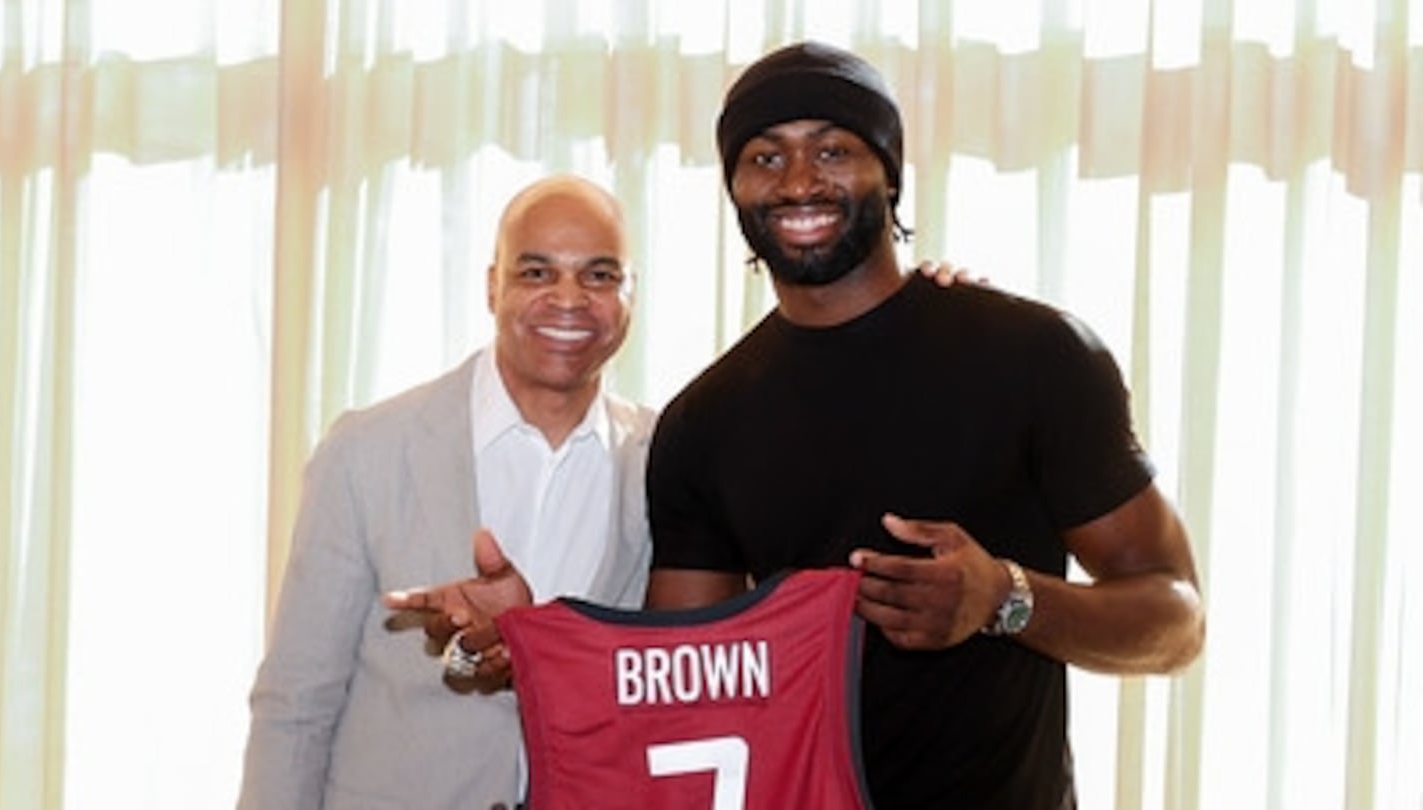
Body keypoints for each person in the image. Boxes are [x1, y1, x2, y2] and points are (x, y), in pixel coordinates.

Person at [638, 40, 1207, 809]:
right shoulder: (702, 423)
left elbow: (1176, 619)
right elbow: (684, 683)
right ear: (734, 188)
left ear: (890, 175)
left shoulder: (1033, 357)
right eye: (765, 159)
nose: (799, 181)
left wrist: (1005, 598)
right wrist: (526, 650)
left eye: (832, 150)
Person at [237, 175, 655, 810]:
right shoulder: (368, 450)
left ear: (630, 295)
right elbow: (296, 705)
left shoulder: (666, 464)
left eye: (599, 276)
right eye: (536, 273)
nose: (569, 299)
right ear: (493, 285)